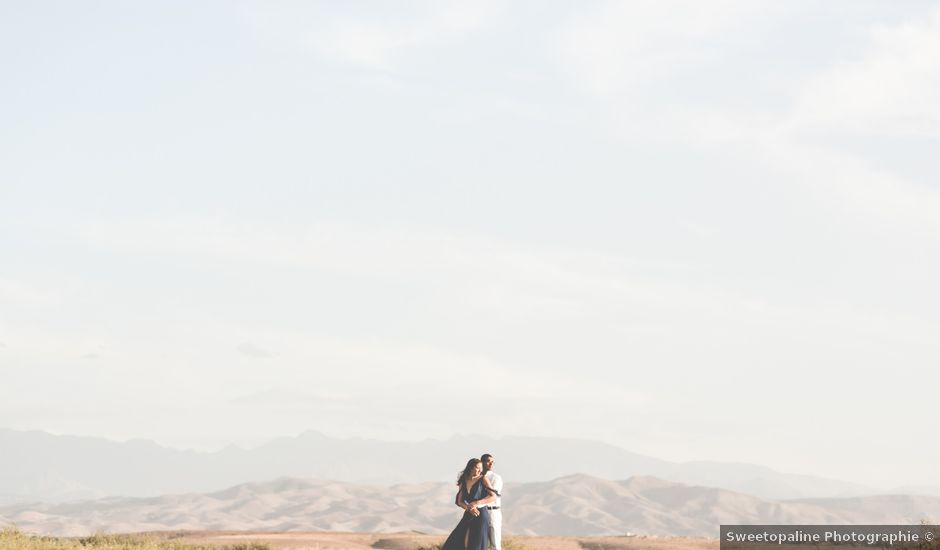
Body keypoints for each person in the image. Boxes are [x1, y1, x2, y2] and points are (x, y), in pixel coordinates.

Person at [441, 458, 498, 550]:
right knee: (456, 542)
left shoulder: (483, 479)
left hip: (481, 515)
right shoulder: (463, 481)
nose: (480, 470)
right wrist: (469, 507)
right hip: (469, 513)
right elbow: (460, 501)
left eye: (481, 468)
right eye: (477, 468)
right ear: (471, 468)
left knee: (476, 545)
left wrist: (476, 503)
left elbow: (493, 496)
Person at [480, 454, 503, 550]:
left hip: (493, 512)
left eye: (492, 462)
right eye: (488, 461)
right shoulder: (477, 477)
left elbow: (493, 496)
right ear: (482, 462)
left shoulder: (496, 478)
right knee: (481, 542)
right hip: (481, 512)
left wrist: (477, 503)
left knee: (495, 544)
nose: (491, 463)